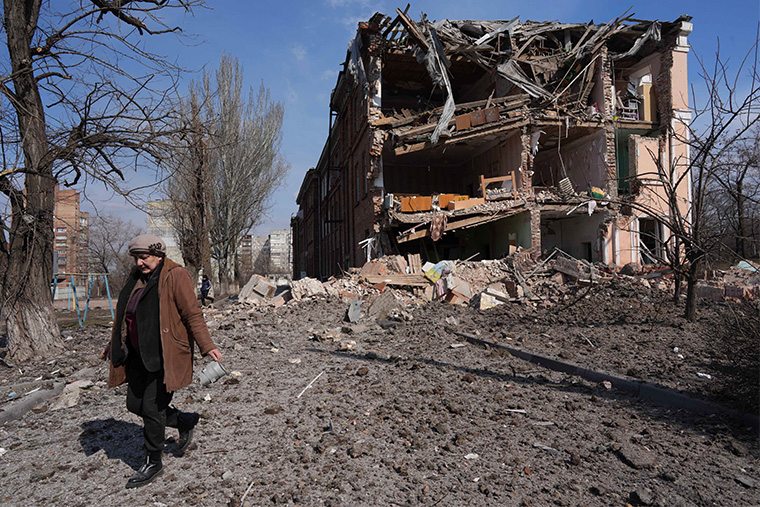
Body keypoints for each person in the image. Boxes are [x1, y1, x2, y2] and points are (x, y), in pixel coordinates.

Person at [102, 234, 223, 489]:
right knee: (135, 405)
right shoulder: (136, 279)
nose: (139, 263)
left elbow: (192, 314)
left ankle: (153, 461)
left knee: (151, 409)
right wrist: (112, 345)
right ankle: (184, 421)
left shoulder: (175, 275)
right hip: (137, 355)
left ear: (158, 255)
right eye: (136, 258)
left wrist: (207, 345)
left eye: (143, 258)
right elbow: (126, 316)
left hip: (163, 355)